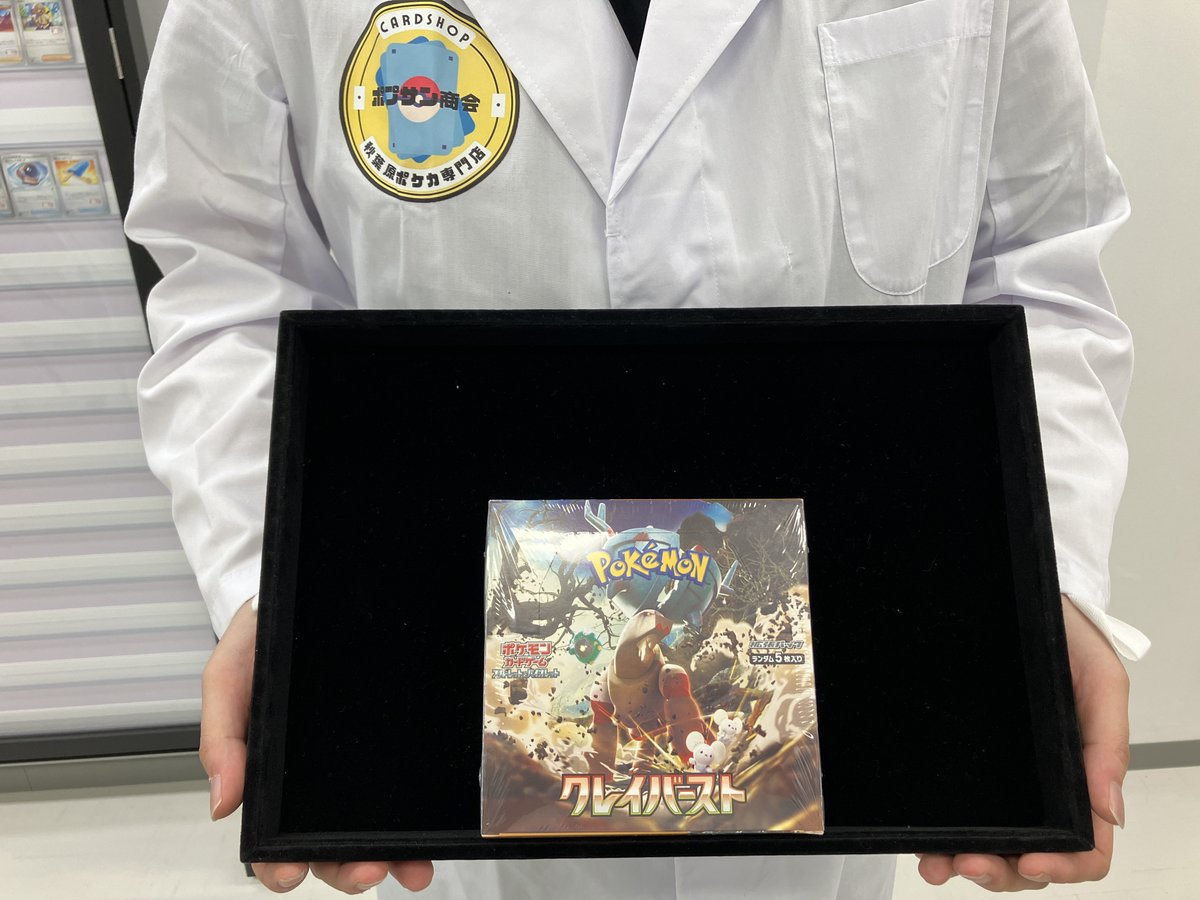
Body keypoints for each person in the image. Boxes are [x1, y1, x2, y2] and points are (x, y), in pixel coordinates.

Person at [126, 0, 1150, 897]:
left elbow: (1036, 260)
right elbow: (231, 279)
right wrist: (283, 583)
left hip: (843, 709)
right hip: (444, 717)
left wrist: (1035, 577)